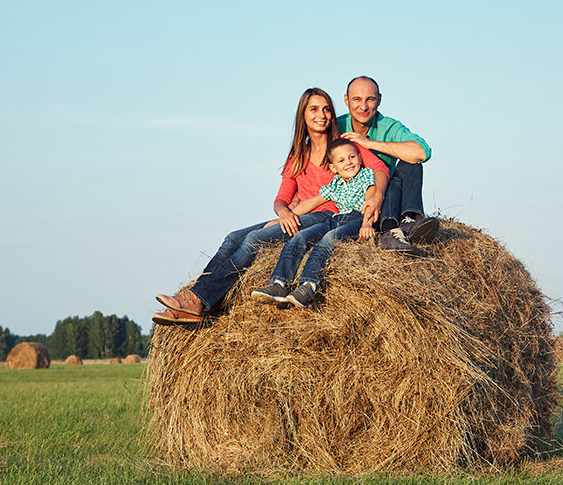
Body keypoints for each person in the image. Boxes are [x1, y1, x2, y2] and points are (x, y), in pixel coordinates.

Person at [152, 87, 389, 326]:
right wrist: (284, 213)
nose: (322, 115)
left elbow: (380, 169)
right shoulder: (298, 155)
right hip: (298, 214)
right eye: (314, 109)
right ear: (303, 115)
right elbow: (281, 198)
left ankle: (198, 300)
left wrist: (376, 196)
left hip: (325, 215)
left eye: (327, 109)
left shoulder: (343, 148)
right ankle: (194, 297)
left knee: (255, 239)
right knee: (232, 238)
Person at [250, 138, 377, 309]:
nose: (348, 163)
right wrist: (285, 217)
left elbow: (371, 200)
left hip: (357, 219)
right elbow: (312, 202)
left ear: (359, 158)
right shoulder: (335, 184)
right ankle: (279, 283)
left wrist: (367, 223)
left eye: (352, 157)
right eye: (341, 160)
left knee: (327, 240)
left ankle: (308, 287)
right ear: (333, 168)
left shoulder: (366, 175)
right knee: (300, 236)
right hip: (336, 218)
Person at [338, 75, 437, 253]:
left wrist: (369, 144)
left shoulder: (389, 126)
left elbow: (422, 152)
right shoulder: (337, 126)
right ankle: (389, 230)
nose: (363, 106)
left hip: (388, 195)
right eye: (357, 99)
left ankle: (409, 221)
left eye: (370, 99)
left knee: (412, 164)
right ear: (346, 100)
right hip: (353, 200)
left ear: (379, 100)